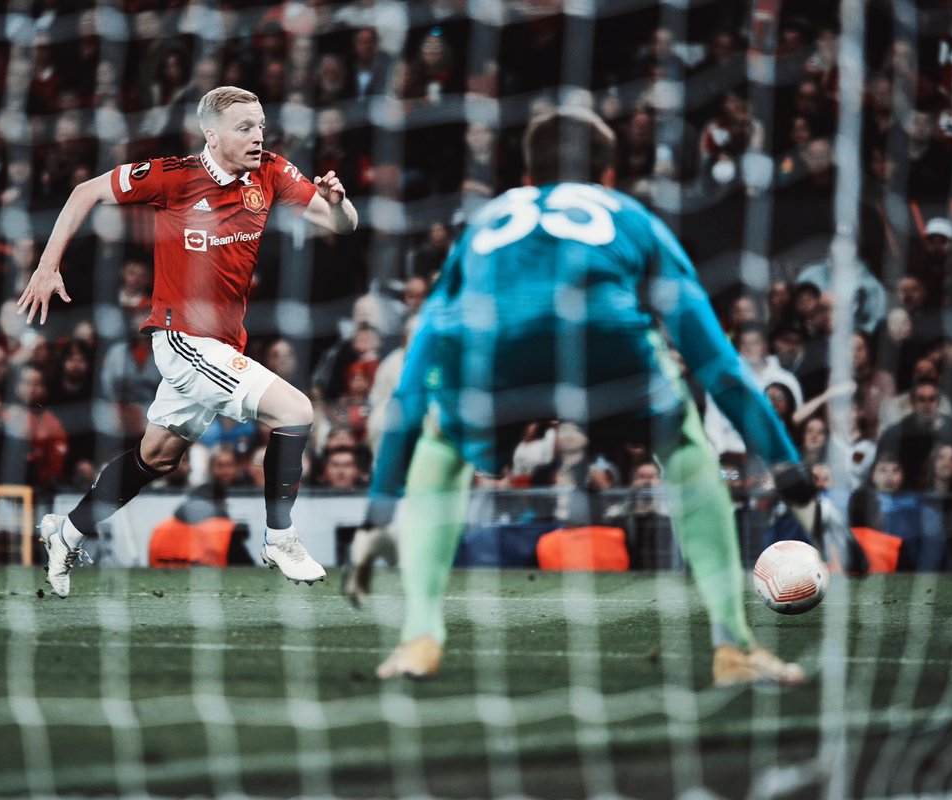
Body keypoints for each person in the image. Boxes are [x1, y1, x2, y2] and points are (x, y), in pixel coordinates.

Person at [354, 107, 843, 685]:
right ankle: (733, 647)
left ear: (528, 180)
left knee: (442, 443)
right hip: (603, 345)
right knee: (684, 440)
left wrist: (379, 511)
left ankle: (419, 637)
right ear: (608, 176)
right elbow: (724, 372)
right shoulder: (631, 216)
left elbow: (416, 371)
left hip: (494, 352)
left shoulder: (486, 222)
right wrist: (796, 483)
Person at [18, 86, 357, 596]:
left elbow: (341, 225)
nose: (258, 137)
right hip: (184, 342)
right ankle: (280, 537)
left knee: (157, 457)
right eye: (245, 128)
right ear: (212, 135)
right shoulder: (172, 177)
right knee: (296, 412)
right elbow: (83, 192)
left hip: (225, 344)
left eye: (262, 125)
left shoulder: (271, 173)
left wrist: (340, 202)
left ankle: (64, 534)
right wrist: (47, 267)